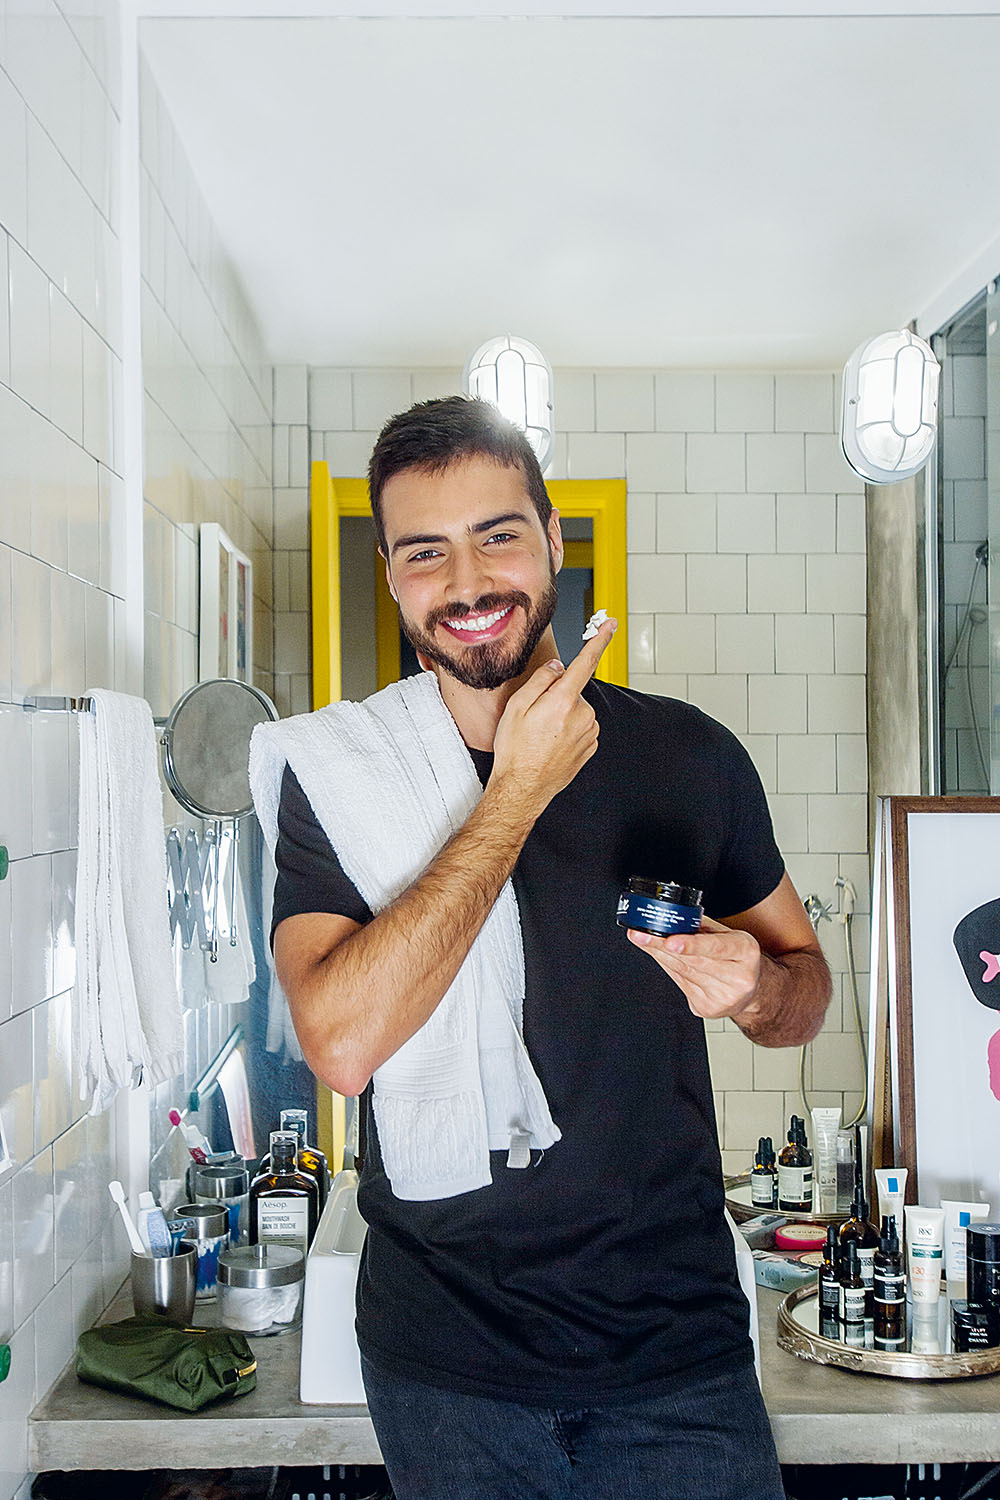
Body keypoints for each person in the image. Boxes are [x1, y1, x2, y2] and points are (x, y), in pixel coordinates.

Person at [264, 396, 831, 1500]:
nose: (468, 585)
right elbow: (338, 1044)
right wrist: (515, 794)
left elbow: (806, 993)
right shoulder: (336, 779)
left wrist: (757, 989)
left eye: (498, 535)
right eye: (426, 552)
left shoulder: (686, 756)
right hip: (447, 1366)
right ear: (390, 573)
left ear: (553, 540)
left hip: (678, 1355)